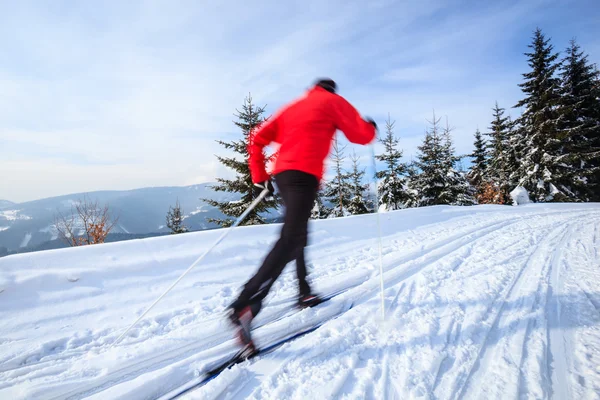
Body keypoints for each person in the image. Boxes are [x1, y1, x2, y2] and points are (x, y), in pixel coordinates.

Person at [228, 78, 377, 349]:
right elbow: (360, 134)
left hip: (284, 175)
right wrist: (371, 127)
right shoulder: (332, 101)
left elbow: (257, 138)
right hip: (304, 176)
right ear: (330, 89)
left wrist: (259, 175)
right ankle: (246, 303)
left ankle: (304, 292)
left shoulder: (293, 107)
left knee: (297, 236)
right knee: (290, 239)